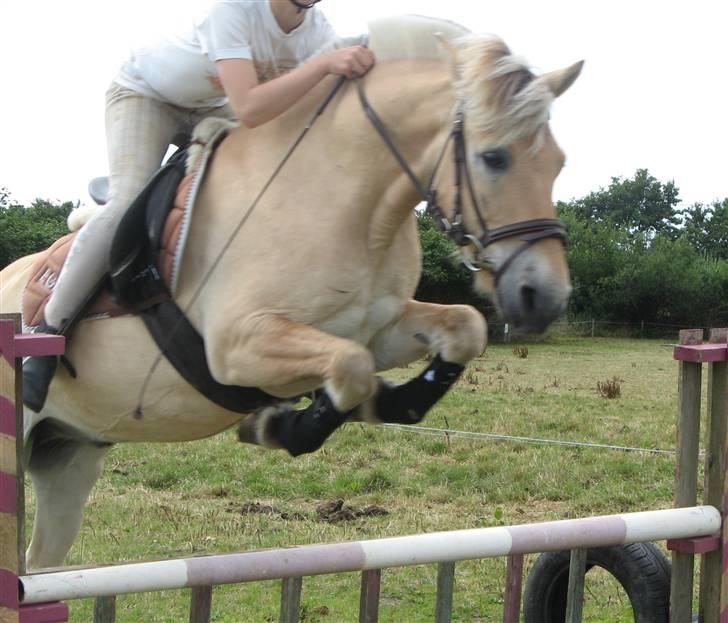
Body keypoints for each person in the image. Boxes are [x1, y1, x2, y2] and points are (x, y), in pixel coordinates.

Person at [23, 0, 375, 412]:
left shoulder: (317, 30)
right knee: (124, 204)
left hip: (210, 108)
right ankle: (44, 341)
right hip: (146, 95)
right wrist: (324, 65)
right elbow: (250, 107)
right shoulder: (234, 10)